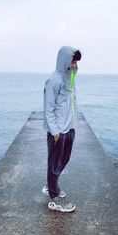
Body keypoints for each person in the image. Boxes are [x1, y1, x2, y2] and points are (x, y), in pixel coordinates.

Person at [42, 46, 82, 213]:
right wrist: (55, 131)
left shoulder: (68, 78)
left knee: (64, 159)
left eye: (76, 63)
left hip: (69, 128)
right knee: (53, 163)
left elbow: (70, 99)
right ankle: (53, 198)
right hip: (57, 131)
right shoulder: (54, 80)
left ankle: (52, 185)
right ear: (64, 60)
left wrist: (74, 72)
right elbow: (48, 108)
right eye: (72, 61)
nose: (74, 65)